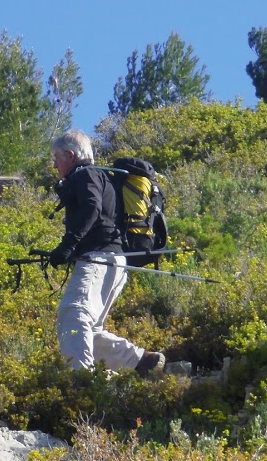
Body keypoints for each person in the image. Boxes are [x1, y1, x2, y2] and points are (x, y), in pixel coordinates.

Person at [48, 129, 165, 376]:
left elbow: (92, 208)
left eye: (56, 158)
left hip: (99, 260)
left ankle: (80, 378)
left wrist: (69, 244)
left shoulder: (85, 175)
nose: (55, 164)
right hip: (115, 261)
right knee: (90, 328)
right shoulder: (102, 177)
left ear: (70, 155)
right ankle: (141, 361)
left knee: (73, 312)